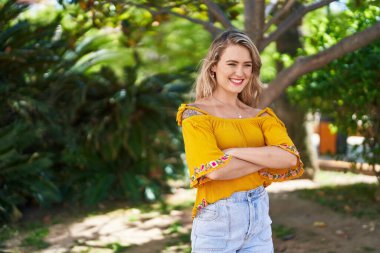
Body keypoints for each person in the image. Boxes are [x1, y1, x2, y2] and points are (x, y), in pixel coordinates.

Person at [176, 30, 304, 253]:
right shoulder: (195, 116)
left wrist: (234, 151)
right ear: (214, 66)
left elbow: (289, 158)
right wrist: (266, 157)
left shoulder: (261, 116)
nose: (240, 72)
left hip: (259, 223)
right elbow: (215, 171)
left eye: (247, 65)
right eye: (232, 64)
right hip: (216, 226)